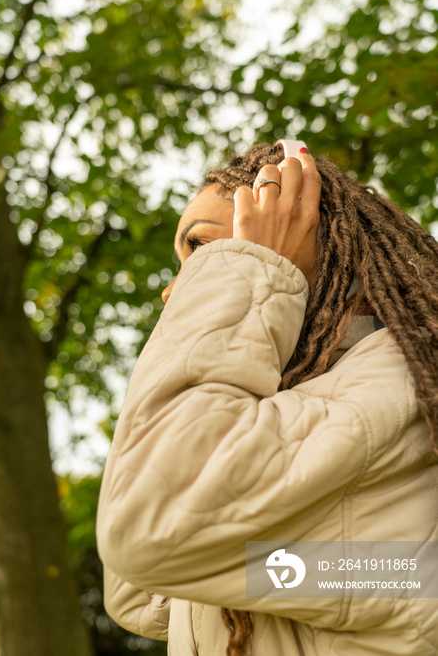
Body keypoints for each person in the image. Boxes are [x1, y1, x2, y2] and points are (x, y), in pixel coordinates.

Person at [96, 140, 438, 656]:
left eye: (205, 249)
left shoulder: (391, 385)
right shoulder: (298, 409)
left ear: (317, 253)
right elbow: (137, 594)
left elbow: (148, 523)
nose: (175, 289)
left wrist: (243, 273)